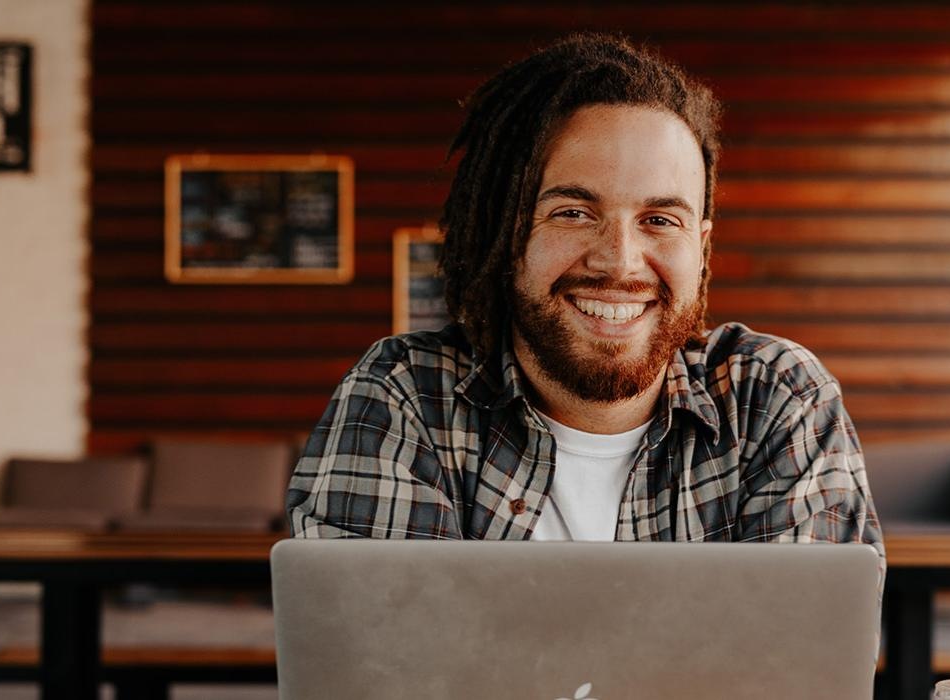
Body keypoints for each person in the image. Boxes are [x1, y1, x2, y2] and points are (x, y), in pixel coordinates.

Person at [285, 33, 881, 563]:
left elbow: (794, 678)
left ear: (701, 247)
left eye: (660, 219)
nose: (618, 261)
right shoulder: (405, 396)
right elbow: (383, 674)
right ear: (503, 230)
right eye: (572, 212)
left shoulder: (775, 399)